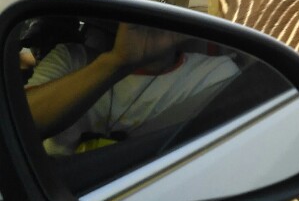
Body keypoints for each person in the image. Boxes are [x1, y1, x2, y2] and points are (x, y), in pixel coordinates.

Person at [25, 20, 241, 155]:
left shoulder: (215, 74)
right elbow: (20, 122)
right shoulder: (70, 58)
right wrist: (118, 62)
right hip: (64, 191)